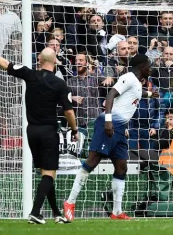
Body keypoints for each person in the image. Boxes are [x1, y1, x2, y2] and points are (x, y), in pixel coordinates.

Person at [0, 48, 77, 224]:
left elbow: (6, 64)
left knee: (46, 172)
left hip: (31, 132)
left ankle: (56, 213)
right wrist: (74, 130)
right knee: (49, 173)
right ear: (56, 61)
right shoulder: (60, 84)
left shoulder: (30, 75)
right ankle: (35, 212)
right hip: (49, 132)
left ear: (39, 60)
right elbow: (68, 111)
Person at [64, 55, 158, 221]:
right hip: (109, 124)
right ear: (142, 66)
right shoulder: (128, 77)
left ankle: (116, 212)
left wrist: (150, 94)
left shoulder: (136, 82)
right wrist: (108, 121)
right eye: (149, 66)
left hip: (120, 129)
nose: (150, 69)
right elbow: (110, 95)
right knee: (92, 162)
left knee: (121, 167)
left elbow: (135, 93)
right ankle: (70, 203)